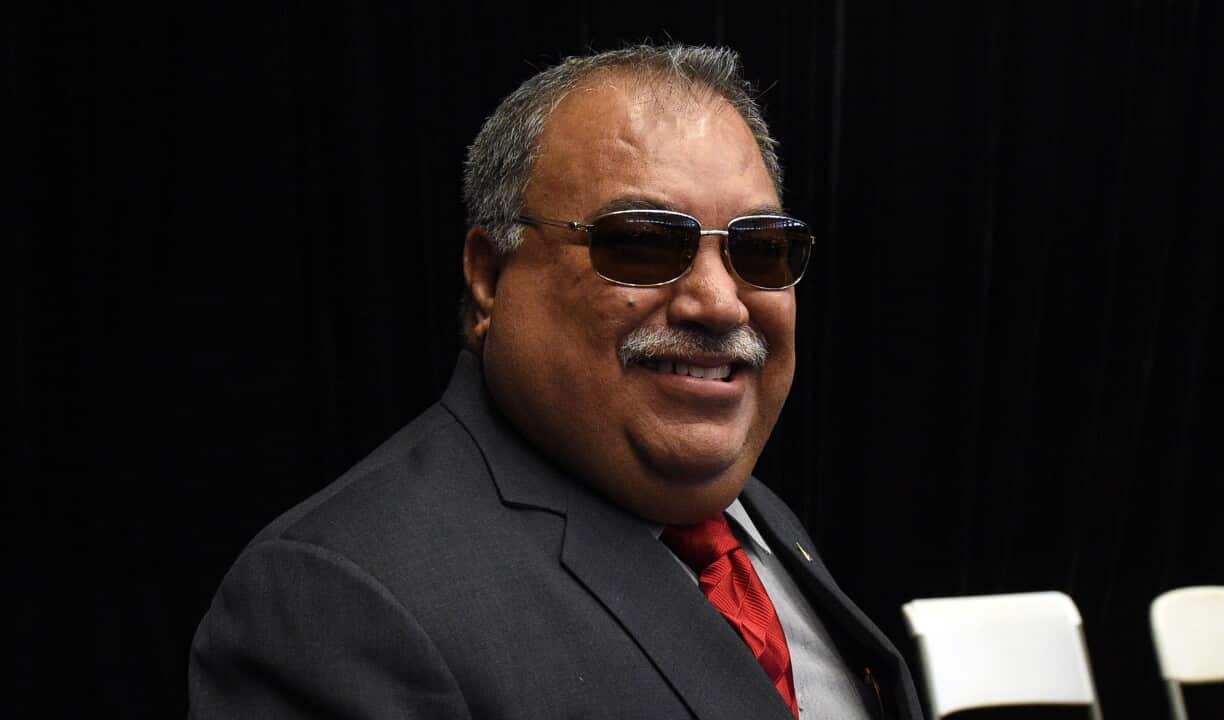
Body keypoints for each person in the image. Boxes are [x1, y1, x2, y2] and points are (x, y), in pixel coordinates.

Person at [188, 44, 923, 720]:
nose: (721, 302)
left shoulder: (750, 524)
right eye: (640, 242)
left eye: (760, 249)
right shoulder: (340, 604)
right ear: (488, 278)